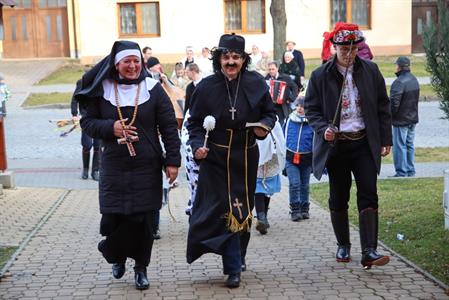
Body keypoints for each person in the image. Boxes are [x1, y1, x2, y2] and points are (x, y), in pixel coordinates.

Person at [75, 40, 181, 290]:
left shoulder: (153, 89)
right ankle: (118, 255)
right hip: (113, 164)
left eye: (136, 61)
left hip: (146, 163)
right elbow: (87, 123)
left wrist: (173, 161)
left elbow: (168, 127)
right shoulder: (101, 89)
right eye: (127, 62)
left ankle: (140, 268)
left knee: (143, 220)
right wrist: (110, 127)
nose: (132, 66)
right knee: (115, 216)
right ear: (116, 64)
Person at [186, 33, 276, 288]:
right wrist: (196, 147)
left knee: (242, 210)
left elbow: (270, 114)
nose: (231, 62)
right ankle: (232, 267)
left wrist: (264, 127)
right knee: (221, 210)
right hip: (215, 158)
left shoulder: (257, 83)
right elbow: (193, 123)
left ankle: (239, 256)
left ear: (244, 59)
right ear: (219, 59)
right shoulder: (206, 87)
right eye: (226, 57)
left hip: (245, 155)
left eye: (236, 57)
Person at [304, 22, 392, 269]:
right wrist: (324, 129)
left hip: (364, 143)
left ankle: (370, 251)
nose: (349, 53)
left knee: (368, 192)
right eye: (344, 49)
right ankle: (343, 244)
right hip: (338, 147)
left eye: (353, 49)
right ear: (335, 47)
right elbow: (311, 109)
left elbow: (383, 106)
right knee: (338, 196)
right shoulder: (321, 75)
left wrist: (385, 138)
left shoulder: (371, 71)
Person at [283, 97, 314, 222]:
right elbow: (284, 136)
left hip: (306, 158)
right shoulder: (290, 120)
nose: (300, 108)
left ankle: (304, 208)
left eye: (303, 106)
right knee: (294, 184)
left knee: (304, 185)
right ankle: (295, 210)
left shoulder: (312, 122)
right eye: (298, 106)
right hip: (291, 158)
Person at [390, 56, 420, 177]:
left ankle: (401, 172)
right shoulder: (414, 79)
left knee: (399, 146)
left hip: (400, 120)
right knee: (409, 145)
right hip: (412, 118)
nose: (395, 67)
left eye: (396, 65)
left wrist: (389, 117)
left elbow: (394, 104)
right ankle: (410, 170)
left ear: (399, 66)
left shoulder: (398, 82)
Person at [254, 120, 285, 235]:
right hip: (256, 155)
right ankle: (261, 217)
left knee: (267, 188)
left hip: (271, 158)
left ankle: (263, 217)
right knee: (258, 186)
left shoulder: (273, 118)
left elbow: (279, 136)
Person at [71, 84, 102, 180]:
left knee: (97, 146)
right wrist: (74, 113)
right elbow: (75, 99)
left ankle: (95, 171)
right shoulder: (82, 82)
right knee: (87, 145)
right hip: (86, 118)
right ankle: (85, 170)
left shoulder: (102, 81)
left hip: (99, 119)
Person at [265, 61, 298, 125]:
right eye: (269, 69)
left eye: (273, 69)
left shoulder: (285, 77)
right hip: (271, 106)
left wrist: (291, 98)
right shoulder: (266, 79)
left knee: (282, 124)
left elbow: (295, 87)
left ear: (277, 69)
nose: (271, 71)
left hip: (282, 106)